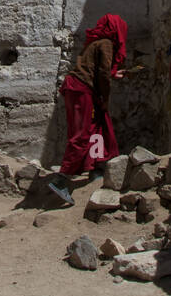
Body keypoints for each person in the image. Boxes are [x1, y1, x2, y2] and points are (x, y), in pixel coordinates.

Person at [47, 14, 128, 205]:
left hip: (80, 88)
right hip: (82, 89)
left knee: (96, 126)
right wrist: (104, 99)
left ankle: (96, 167)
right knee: (82, 134)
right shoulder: (106, 43)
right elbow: (102, 74)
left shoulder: (96, 43)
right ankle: (61, 179)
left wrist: (112, 74)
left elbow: (100, 69)